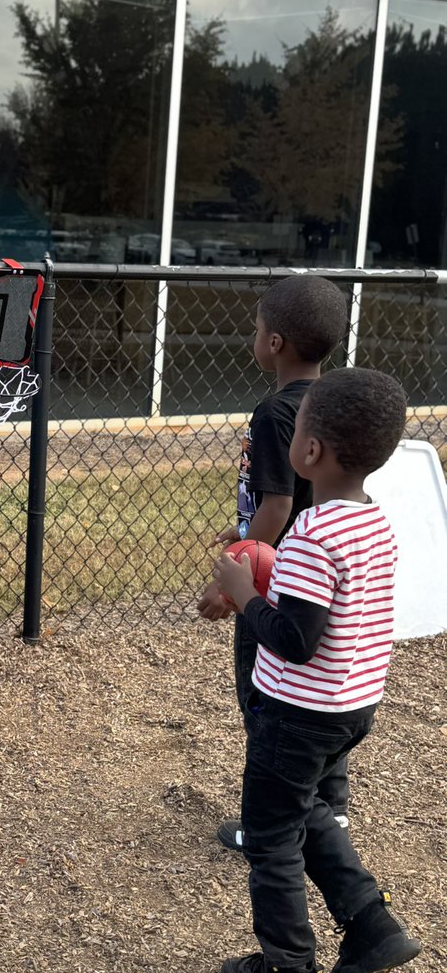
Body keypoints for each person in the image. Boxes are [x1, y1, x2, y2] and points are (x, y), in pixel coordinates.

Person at [211, 367, 421, 973]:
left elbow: (294, 641)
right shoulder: (373, 525)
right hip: (350, 708)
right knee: (309, 815)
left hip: (296, 715)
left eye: (299, 430)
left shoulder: (311, 536)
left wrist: (244, 593)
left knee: (272, 838)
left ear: (309, 453)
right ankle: (372, 926)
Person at [197, 275, 349, 851]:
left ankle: (270, 824)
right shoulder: (332, 404)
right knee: (314, 697)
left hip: (274, 579)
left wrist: (234, 577)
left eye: (257, 329)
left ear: (277, 342)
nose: (252, 337)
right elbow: (296, 499)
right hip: (320, 571)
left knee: (264, 704)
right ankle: (329, 817)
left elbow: (280, 505)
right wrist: (241, 526)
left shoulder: (272, 413)